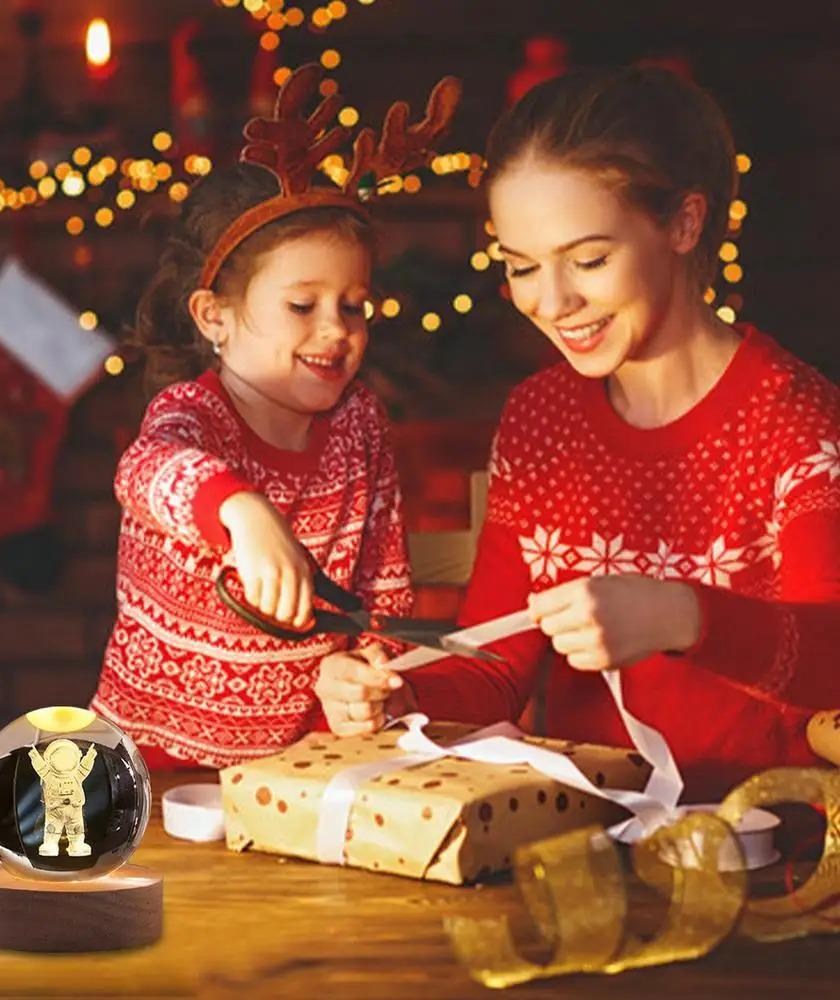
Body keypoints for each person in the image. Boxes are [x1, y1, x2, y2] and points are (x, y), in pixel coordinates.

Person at [315, 65, 840, 801]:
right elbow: (495, 668)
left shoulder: (795, 419)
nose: (553, 301)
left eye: (589, 260)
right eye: (523, 266)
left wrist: (682, 615)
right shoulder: (541, 420)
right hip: (576, 843)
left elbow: (831, 661)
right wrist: (398, 694)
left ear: (684, 224)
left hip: (761, 848)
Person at [86, 53, 467, 768]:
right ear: (214, 316)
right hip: (146, 766)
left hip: (296, 768)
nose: (336, 329)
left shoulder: (360, 424)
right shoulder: (192, 415)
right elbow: (148, 470)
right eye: (301, 305)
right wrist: (242, 509)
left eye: (353, 306)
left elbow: (381, 585)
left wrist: (364, 670)